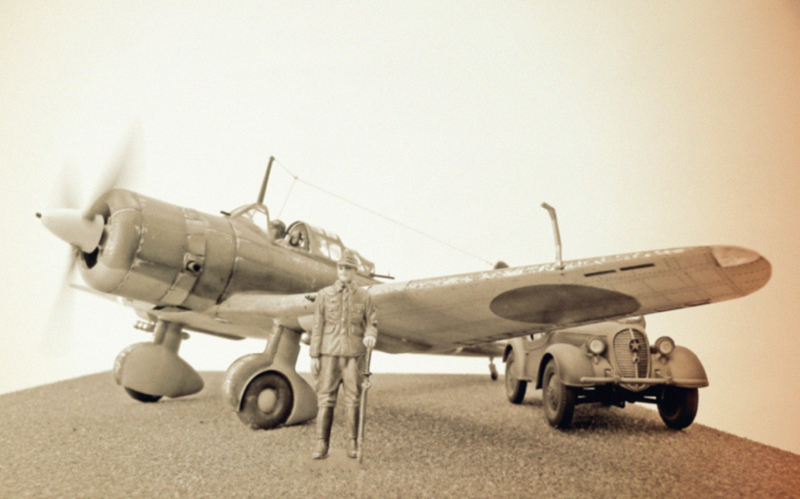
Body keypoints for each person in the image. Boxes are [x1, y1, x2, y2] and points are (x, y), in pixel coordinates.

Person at [309, 249, 378, 460]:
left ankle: (352, 442)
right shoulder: (324, 294)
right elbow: (317, 326)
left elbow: (372, 322)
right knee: (325, 399)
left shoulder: (364, 295)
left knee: (353, 399)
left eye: (347, 268)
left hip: (354, 355)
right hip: (329, 354)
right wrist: (314, 355)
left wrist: (370, 335)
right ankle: (321, 443)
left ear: (354, 271)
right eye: (340, 267)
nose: (343, 271)